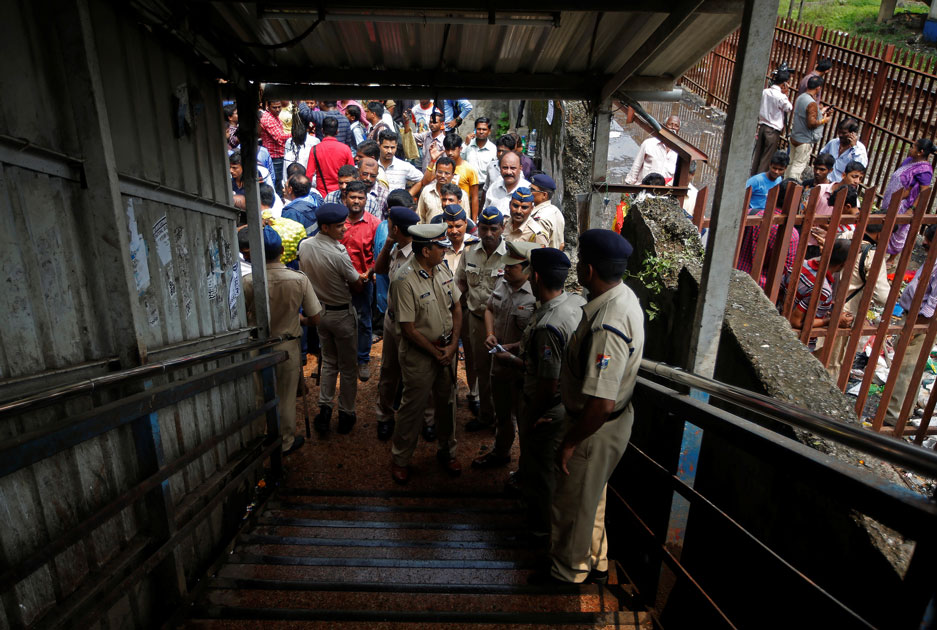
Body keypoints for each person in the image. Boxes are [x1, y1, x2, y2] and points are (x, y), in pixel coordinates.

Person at [533, 229, 645, 585]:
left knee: (572, 503)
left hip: (595, 425)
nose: (578, 268)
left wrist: (569, 442)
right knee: (592, 497)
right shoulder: (622, 297)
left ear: (590, 270)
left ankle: (567, 572)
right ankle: (595, 561)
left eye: (581, 262)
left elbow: (601, 401)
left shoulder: (607, 323)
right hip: (607, 420)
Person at [512, 247, 585, 538]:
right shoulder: (576, 303)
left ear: (537, 277)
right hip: (568, 401)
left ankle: (542, 533)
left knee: (542, 472)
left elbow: (547, 382)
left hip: (547, 408)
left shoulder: (547, 325)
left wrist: (531, 417)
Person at [389, 223, 463, 484]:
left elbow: (456, 307)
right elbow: (408, 329)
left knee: (448, 404)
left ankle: (447, 452)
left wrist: (453, 345)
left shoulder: (441, 268)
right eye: (439, 247)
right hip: (420, 355)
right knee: (413, 407)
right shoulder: (403, 280)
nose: (445, 251)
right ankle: (400, 459)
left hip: (445, 350)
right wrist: (436, 352)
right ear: (425, 251)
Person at [242, 226, 322, 455]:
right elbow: (315, 318)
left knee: (258, 396)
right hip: (287, 345)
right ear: (283, 250)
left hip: (257, 346)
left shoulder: (248, 281)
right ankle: (285, 441)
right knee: (286, 397)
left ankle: (257, 441)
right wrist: (300, 321)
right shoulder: (298, 279)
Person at [297, 203, 371, 434]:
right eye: (339, 226)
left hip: (319, 312)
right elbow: (356, 284)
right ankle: (346, 412)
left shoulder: (305, 245)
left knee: (328, 361)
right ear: (325, 227)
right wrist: (364, 277)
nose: (344, 229)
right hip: (341, 314)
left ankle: (325, 407)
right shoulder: (338, 253)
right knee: (348, 367)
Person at [472, 240, 539, 469]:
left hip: (522, 368)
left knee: (524, 418)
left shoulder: (536, 297)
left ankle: (526, 467)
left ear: (529, 269)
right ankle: (501, 452)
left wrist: (515, 346)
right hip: (499, 363)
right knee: (502, 413)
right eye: (507, 265)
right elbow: (490, 308)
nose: (507, 269)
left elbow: (539, 336)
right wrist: (490, 333)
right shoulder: (502, 283)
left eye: (513, 266)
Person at [455, 208, 508, 431]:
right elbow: (459, 284)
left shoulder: (512, 254)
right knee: (481, 369)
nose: (488, 233)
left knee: (504, 373)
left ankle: (504, 421)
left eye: (493, 229)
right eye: (484, 228)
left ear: (502, 228)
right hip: (475, 320)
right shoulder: (469, 252)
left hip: (503, 323)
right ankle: (486, 416)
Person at [374, 205, 421, 440]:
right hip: (391, 321)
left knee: (412, 373)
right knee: (388, 370)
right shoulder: (397, 248)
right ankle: (384, 416)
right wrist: (388, 243)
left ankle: (418, 420)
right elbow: (379, 269)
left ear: (395, 228)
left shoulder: (417, 256)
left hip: (409, 325)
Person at [885, 224, 937, 424]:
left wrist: (916, 328)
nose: (923, 244)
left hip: (921, 321)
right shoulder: (932, 260)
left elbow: (933, 303)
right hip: (913, 317)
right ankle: (899, 411)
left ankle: (892, 417)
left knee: (905, 367)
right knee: (908, 365)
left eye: (927, 242)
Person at [825, 222, 891, 380]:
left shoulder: (844, 236)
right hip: (844, 315)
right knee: (831, 363)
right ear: (881, 234)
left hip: (821, 305)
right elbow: (883, 297)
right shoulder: (872, 255)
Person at [340, 181, 380, 382]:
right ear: (345, 197)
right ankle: (343, 359)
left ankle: (363, 359)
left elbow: (378, 254)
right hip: (339, 282)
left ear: (366, 199)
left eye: (360, 198)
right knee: (340, 320)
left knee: (364, 321)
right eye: (352, 197)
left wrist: (365, 275)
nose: (356, 201)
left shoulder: (374, 223)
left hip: (364, 282)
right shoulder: (338, 222)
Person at [778, 239, 854, 342]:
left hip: (779, 322)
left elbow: (780, 292)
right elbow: (796, 321)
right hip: (796, 340)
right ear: (843, 264)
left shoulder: (801, 264)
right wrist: (831, 321)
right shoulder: (822, 288)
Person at [736, 179, 802, 288]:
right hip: (759, 287)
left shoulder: (750, 214)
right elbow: (785, 269)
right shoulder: (791, 235)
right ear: (797, 202)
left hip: (734, 273)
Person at [884, 139, 936, 259]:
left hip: (904, 204)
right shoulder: (909, 160)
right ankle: (881, 251)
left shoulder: (925, 170)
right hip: (892, 199)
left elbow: (924, 192)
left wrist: (912, 208)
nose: (910, 149)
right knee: (886, 226)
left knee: (898, 231)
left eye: (913, 147)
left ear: (920, 152)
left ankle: (891, 259)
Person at [785, 76, 831, 181]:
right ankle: (790, 186)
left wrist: (821, 112)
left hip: (795, 136)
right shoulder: (812, 103)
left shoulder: (801, 97)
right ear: (818, 88)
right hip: (804, 140)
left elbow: (806, 115)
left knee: (790, 163)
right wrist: (824, 120)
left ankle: (784, 183)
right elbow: (811, 123)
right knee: (798, 166)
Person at [751, 69, 793, 176]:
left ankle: (753, 175)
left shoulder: (765, 92)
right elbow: (789, 108)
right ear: (784, 83)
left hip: (763, 126)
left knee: (758, 154)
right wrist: (786, 94)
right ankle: (760, 179)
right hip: (773, 130)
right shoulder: (781, 97)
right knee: (767, 157)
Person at [307, 116, 355, 199]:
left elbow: (309, 175)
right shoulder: (345, 149)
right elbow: (352, 172)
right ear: (337, 132)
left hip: (322, 194)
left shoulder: (315, 149)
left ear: (322, 131)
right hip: (341, 194)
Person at [624, 116, 681, 185]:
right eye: (670, 124)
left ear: (678, 130)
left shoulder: (680, 152)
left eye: (676, 126)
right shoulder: (649, 144)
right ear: (664, 126)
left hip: (664, 193)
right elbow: (636, 165)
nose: (673, 128)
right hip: (644, 189)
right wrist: (629, 185)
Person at [818, 118, 869, 183]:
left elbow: (860, 168)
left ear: (853, 134)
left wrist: (854, 148)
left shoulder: (859, 149)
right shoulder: (833, 143)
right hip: (825, 182)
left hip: (841, 185)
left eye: (844, 133)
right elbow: (821, 156)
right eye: (839, 132)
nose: (840, 135)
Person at [443, 133, 480, 220]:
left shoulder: (469, 169)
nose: (450, 153)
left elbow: (474, 197)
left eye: (453, 150)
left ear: (460, 149)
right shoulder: (441, 168)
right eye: (447, 150)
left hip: (462, 213)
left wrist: (474, 220)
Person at [377, 130, 425, 196]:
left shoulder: (404, 166)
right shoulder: (372, 165)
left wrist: (407, 197)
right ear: (379, 145)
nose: (389, 151)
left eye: (393, 147)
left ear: (396, 146)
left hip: (396, 205)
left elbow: (422, 179)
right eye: (386, 147)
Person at [260, 100, 291, 193]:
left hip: (278, 154)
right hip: (275, 156)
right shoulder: (268, 119)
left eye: (279, 107)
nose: (278, 109)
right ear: (268, 106)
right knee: (277, 182)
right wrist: (294, 134)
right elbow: (280, 137)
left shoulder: (274, 116)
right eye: (275, 107)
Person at [529, 173, 566, 250]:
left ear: (544, 195)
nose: (529, 192)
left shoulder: (540, 218)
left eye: (532, 190)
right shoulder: (555, 210)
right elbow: (561, 245)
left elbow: (539, 248)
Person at [417, 157, 456, 223]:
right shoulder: (426, 191)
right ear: (435, 172)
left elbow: (465, 218)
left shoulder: (459, 194)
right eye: (440, 172)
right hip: (429, 232)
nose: (443, 176)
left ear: (452, 175)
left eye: (447, 173)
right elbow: (420, 217)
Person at [464, 117, 498, 192]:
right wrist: (465, 144)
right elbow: (459, 160)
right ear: (475, 130)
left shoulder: (493, 149)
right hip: (467, 186)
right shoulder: (467, 145)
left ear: (489, 132)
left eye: (484, 129)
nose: (481, 132)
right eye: (478, 129)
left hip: (483, 188)